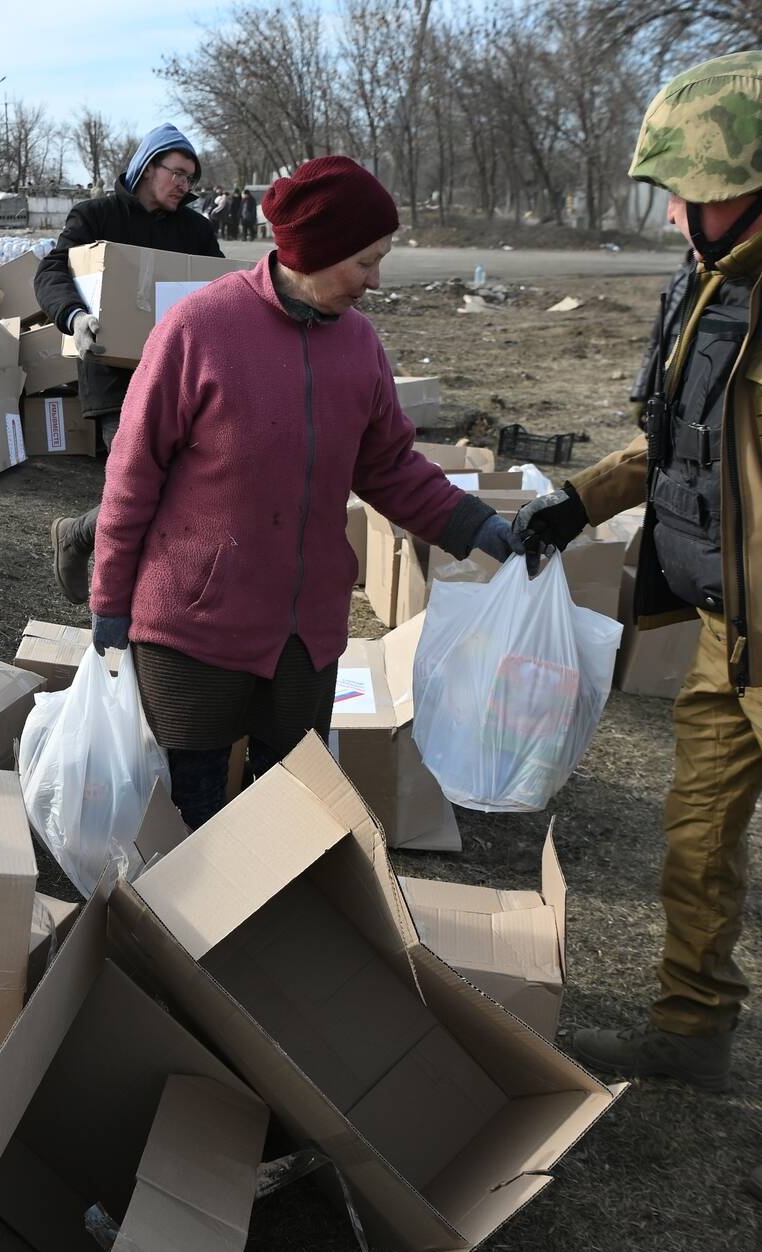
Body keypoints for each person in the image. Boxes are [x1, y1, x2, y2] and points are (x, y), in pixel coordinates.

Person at [514, 51, 762, 1217]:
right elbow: (676, 439)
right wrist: (580, 500)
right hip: (726, 631)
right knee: (693, 840)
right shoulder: (718, 272)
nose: (671, 213)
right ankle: (690, 1023)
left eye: (690, 189)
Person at [89, 156, 534, 828]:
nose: (376, 281)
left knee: (285, 812)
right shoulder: (199, 330)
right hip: (195, 625)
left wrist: (475, 525)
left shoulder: (359, 347)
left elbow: (389, 466)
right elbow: (133, 474)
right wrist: (110, 598)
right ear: (318, 251)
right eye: (365, 262)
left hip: (305, 638)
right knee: (195, 813)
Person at [37, 124, 222, 604]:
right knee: (143, 485)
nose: (184, 184)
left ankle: (84, 538)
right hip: (114, 376)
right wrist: (73, 317)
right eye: (176, 172)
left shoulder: (196, 231)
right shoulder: (95, 217)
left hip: (182, 377)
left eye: (190, 176)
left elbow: (222, 289)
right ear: (147, 166)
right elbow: (53, 270)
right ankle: (115, 584)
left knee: (181, 485)